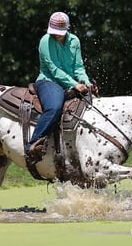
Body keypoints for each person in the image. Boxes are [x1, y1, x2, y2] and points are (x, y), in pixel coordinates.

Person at [25, 11, 95, 162]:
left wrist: (85, 81)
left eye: (59, 32)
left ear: (67, 29)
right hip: (49, 81)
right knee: (54, 107)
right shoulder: (45, 41)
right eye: (54, 32)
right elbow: (54, 70)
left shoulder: (75, 41)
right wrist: (74, 84)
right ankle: (32, 145)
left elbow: (78, 67)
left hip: (71, 83)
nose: (56, 35)